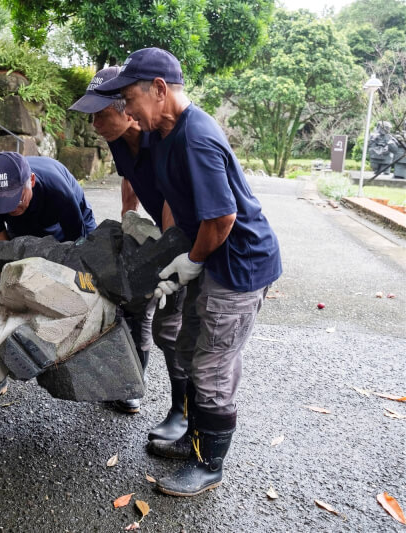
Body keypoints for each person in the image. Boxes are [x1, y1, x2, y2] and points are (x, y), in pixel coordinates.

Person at [96, 47, 282, 497]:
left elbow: (222, 219)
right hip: (213, 257)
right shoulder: (165, 130)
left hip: (237, 264)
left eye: (131, 100)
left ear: (159, 91)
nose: (128, 112)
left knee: (213, 361)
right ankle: (194, 440)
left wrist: (192, 261)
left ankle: (209, 464)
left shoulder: (195, 137)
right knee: (189, 343)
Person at [69, 67, 188, 429]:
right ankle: (130, 386)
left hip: (187, 237)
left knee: (171, 324)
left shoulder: (161, 136)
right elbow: (128, 177)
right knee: (135, 308)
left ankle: (182, 412)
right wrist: (128, 219)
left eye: (100, 115)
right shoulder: (120, 140)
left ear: (127, 109)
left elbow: (173, 196)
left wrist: (164, 250)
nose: (93, 125)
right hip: (159, 231)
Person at [0, 152, 97, 405]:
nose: (11, 208)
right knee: (3, 296)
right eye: (3, 203)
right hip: (21, 235)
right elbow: (2, 248)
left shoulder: (58, 190)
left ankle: (107, 375)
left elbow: (76, 251)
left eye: (17, 199)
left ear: (32, 180)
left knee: (89, 291)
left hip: (69, 232)